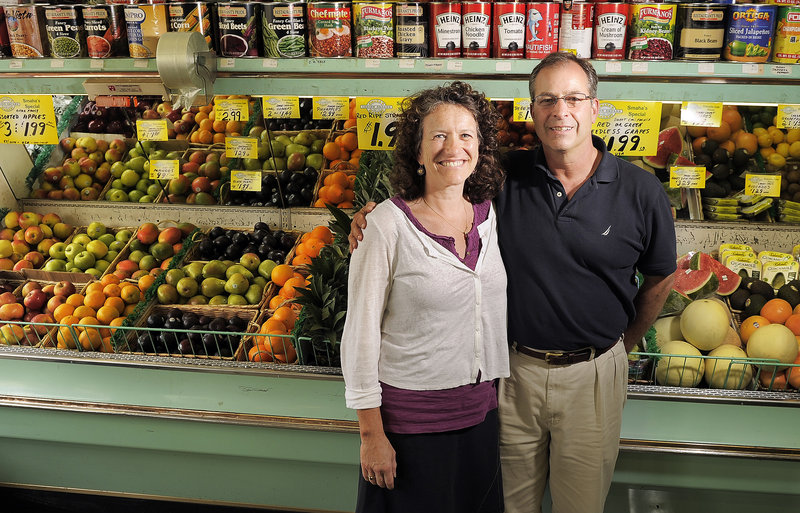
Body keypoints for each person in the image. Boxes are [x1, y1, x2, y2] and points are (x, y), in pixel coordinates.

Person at [350, 52, 677, 513]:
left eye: (573, 98)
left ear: (595, 106)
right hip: (513, 376)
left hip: (593, 377)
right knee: (509, 505)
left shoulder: (641, 191)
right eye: (546, 100)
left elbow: (662, 276)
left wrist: (623, 342)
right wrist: (375, 214)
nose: (560, 111)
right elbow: (443, 184)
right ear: (532, 111)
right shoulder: (507, 177)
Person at [341, 81, 510, 513]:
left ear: (481, 147)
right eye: (438, 135)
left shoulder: (491, 215)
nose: (453, 147)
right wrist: (371, 436)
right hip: (411, 427)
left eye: (466, 135)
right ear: (417, 152)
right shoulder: (385, 226)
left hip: (479, 417)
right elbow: (359, 335)